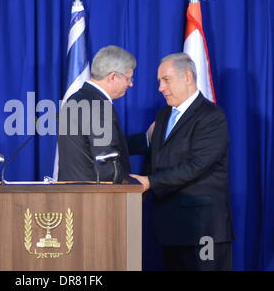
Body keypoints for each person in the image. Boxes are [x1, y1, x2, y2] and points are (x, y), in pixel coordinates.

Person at [131, 53, 234, 271]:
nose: (160, 88)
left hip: (203, 231)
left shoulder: (211, 117)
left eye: (166, 80)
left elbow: (196, 166)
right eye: (159, 81)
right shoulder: (163, 115)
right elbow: (155, 158)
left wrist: (149, 182)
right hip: (170, 230)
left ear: (187, 77)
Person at [58, 45, 148, 183]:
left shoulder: (75, 99)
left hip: (73, 193)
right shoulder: (98, 106)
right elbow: (106, 164)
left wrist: (146, 139)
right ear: (112, 77)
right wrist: (136, 184)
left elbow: (92, 147)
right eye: (128, 79)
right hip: (95, 198)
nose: (130, 84)